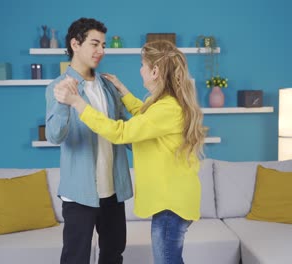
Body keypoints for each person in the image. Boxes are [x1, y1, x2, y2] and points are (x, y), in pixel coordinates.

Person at [54, 40, 205, 264]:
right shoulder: (165, 103)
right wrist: (123, 91)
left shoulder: (166, 108)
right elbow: (145, 115)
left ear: (155, 71)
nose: (140, 69)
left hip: (171, 205)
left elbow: (120, 132)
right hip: (174, 201)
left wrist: (78, 103)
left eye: (143, 65)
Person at [45, 17, 133, 264]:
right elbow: (54, 136)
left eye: (103, 45)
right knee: (75, 259)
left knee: (113, 255)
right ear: (75, 44)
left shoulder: (107, 86)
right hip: (79, 194)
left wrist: (156, 140)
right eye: (95, 44)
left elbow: (124, 130)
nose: (101, 51)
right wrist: (64, 103)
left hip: (113, 191)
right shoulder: (58, 87)